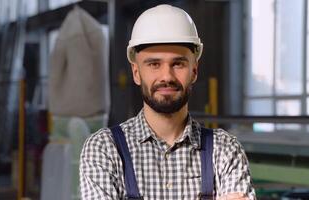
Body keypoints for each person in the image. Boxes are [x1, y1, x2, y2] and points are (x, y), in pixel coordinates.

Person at [80, 4, 256, 200]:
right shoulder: (104, 148)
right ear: (137, 73)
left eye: (178, 64)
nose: (167, 76)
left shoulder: (225, 149)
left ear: (194, 71)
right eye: (154, 64)